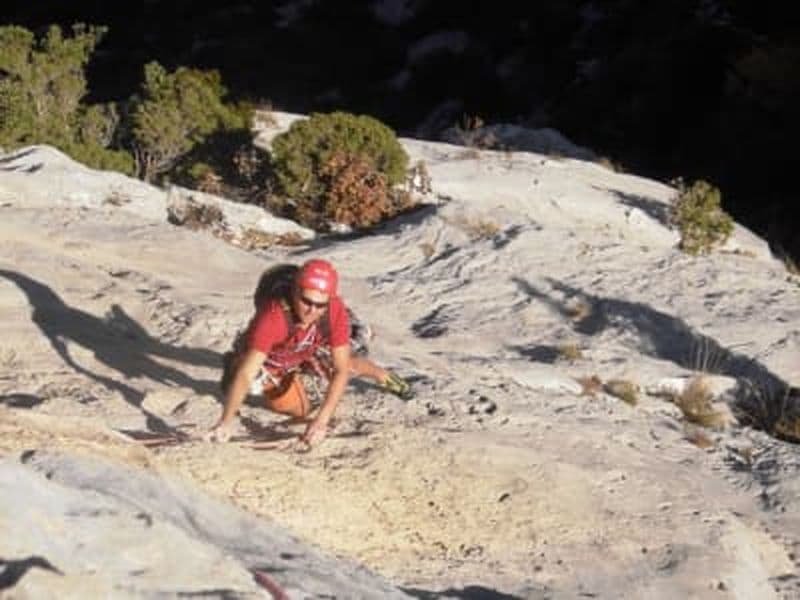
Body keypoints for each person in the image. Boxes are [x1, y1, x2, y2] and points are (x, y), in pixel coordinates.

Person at [206, 258, 411, 446]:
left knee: (344, 361)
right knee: (285, 402)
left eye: (320, 305)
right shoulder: (273, 318)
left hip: (312, 341)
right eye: (306, 301)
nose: (312, 310)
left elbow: (341, 369)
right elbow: (247, 372)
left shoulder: (334, 311)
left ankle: (385, 376)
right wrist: (225, 422)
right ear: (294, 292)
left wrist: (321, 421)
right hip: (281, 347)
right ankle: (239, 358)